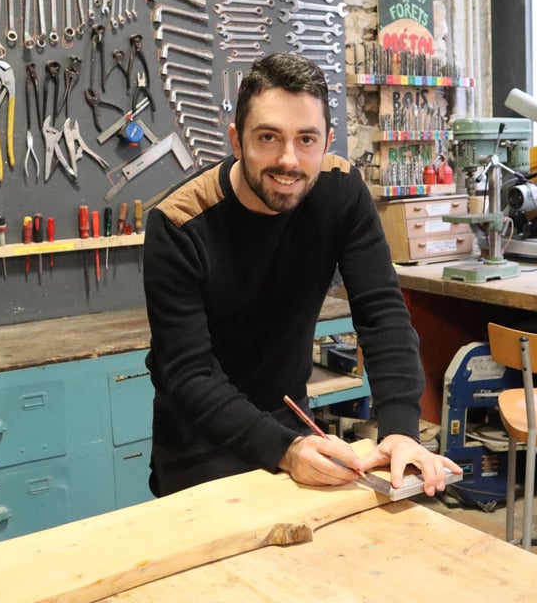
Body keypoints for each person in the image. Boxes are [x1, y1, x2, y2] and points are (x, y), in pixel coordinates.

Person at [143, 52, 461, 498]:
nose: (288, 160)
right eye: (268, 137)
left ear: (328, 140)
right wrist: (285, 449)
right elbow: (187, 374)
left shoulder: (342, 193)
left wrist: (400, 430)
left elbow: (382, 312)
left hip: (291, 420)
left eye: (306, 139)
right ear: (237, 141)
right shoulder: (178, 223)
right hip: (198, 438)